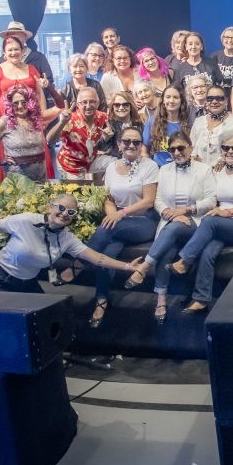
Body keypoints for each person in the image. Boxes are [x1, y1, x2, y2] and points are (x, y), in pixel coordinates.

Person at [0, 194, 139, 293]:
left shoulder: (67, 238)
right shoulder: (26, 220)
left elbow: (97, 258)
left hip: (26, 282)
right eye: (61, 208)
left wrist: (128, 266)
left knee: (45, 317)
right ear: (50, 207)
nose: (64, 214)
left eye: (71, 212)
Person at [125, 132, 216, 323]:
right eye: (172, 149)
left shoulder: (204, 169)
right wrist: (167, 211)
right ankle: (161, 300)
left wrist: (186, 210)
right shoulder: (164, 170)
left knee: (173, 229)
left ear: (190, 148)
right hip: (170, 220)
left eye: (180, 148)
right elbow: (158, 200)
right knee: (167, 248)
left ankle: (143, 267)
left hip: (196, 222)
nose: (176, 152)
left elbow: (211, 201)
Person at [168, 129, 233, 313]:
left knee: (209, 222)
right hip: (221, 226)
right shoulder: (217, 172)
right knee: (208, 252)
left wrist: (226, 212)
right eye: (226, 148)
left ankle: (184, 261)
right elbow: (211, 199)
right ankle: (201, 299)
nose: (230, 151)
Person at [85, 127, 160, 328]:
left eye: (136, 142)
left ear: (141, 145)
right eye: (127, 141)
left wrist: (120, 214)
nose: (131, 145)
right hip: (119, 222)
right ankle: (101, 300)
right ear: (119, 144)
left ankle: (81, 259)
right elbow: (108, 199)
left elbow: (148, 201)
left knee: (108, 229)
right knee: (109, 252)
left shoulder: (150, 166)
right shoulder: (111, 168)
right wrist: (112, 214)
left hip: (143, 221)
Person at [0, 86, 53, 182]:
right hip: (17, 179)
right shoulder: (5, 121)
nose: (20, 106)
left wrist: (50, 89)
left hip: (41, 177)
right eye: (15, 103)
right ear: (10, 104)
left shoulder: (36, 119)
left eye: (23, 102)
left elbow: (60, 108)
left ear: (30, 102)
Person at [54, 86, 113, 181]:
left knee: (116, 163)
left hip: (91, 161)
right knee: (78, 189)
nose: (88, 106)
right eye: (84, 102)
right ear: (78, 105)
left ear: (97, 103)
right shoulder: (69, 119)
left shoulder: (103, 117)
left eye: (92, 101)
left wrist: (107, 137)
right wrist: (62, 123)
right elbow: (50, 140)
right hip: (71, 166)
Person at [0, 35, 49, 122]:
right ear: (4, 52)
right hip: (6, 120)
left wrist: (44, 116)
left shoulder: (32, 69)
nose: (13, 53)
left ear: (22, 51)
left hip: (31, 118)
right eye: (10, 50)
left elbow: (39, 94)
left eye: (16, 49)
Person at [190, 84, 233, 167]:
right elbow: (191, 148)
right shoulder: (198, 122)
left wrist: (227, 160)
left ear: (226, 101)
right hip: (200, 171)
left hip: (227, 171)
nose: (214, 102)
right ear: (206, 101)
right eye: (210, 98)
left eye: (219, 98)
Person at [93, 91, 142, 178]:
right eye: (117, 105)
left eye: (125, 104)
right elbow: (100, 148)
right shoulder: (109, 123)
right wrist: (106, 138)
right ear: (113, 107)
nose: (121, 108)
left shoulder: (139, 124)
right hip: (114, 162)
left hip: (136, 161)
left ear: (131, 106)